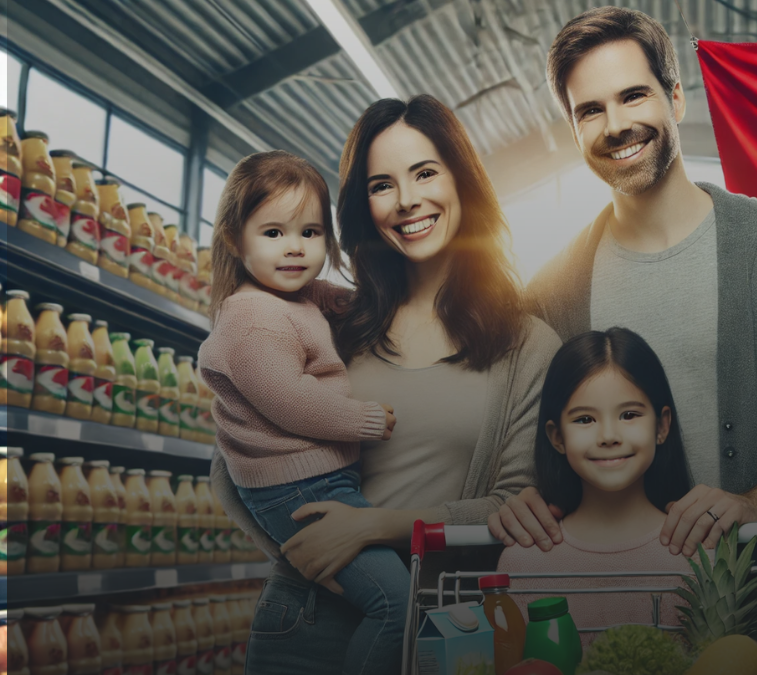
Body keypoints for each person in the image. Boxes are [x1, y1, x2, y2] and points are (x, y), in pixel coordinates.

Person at [487, 8, 757, 671]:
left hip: (748, 616)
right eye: (590, 110)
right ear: (573, 128)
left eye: (633, 95)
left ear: (675, 97)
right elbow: (535, 434)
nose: (616, 125)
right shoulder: (553, 289)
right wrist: (522, 495)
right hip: (594, 622)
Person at [207, 95, 561, 674]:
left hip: (447, 626)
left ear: (462, 181)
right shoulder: (333, 323)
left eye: (425, 173)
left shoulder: (524, 344)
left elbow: (509, 506)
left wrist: (369, 528)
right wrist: (311, 556)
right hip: (310, 616)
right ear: (361, 206)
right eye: (381, 185)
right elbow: (229, 468)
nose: (407, 201)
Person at [197, 150, 405, 675]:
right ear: (232, 241)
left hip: (317, 483)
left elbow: (328, 298)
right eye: (273, 233)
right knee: (397, 606)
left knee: (382, 595)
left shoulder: (292, 296)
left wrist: (368, 299)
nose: (294, 248)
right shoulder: (253, 319)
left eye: (310, 233)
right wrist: (363, 420)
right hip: (300, 489)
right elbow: (289, 400)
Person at [496, 327, 697, 644]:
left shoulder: (699, 554)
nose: (608, 436)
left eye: (629, 414)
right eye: (585, 420)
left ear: (662, 426)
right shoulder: (523, 563)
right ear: (557, 437)